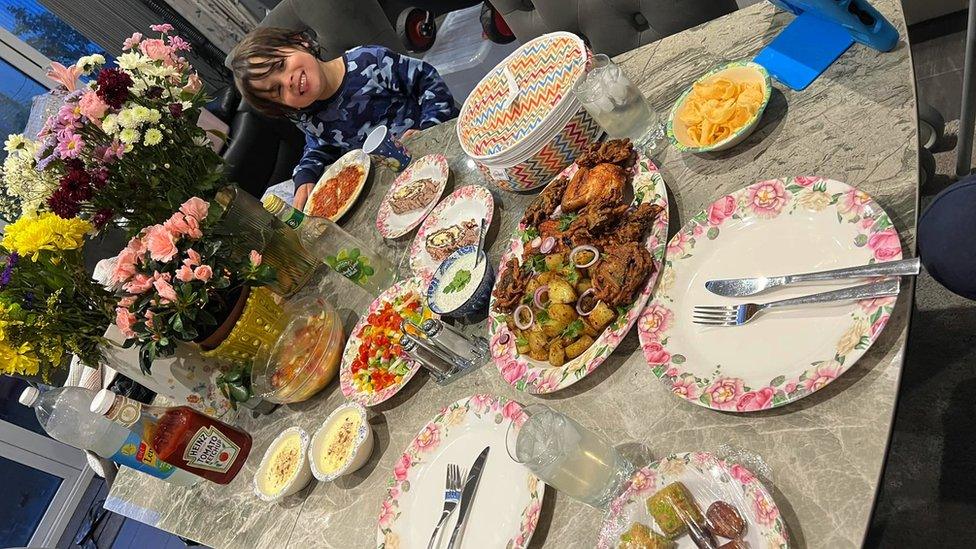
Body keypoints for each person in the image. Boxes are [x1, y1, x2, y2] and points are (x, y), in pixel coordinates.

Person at [229, 28, 458, 209]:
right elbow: (318, 146)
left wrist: (429, 129)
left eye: (281, 65)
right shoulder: (309, 116)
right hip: (395, 183)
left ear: (301, 42)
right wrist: (305, 175)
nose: (286, 81)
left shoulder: (369, 61)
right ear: (282, 107)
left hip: (440, 147)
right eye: (277, 90)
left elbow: (428, 82)